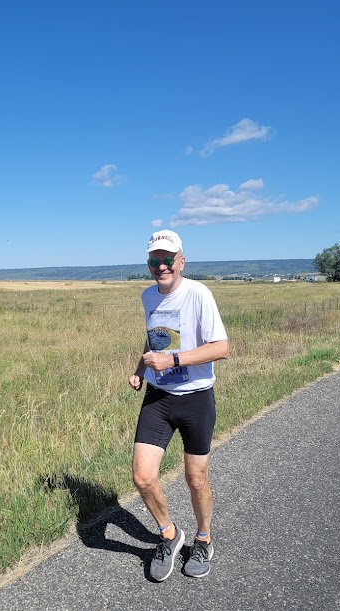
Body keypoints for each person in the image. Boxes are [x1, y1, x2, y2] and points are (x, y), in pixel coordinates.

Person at [129, 229, 230, 581]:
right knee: (142, 477)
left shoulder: (198, 294)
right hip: (158, 397)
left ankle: (203, 539)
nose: (162, 266)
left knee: (196, 479)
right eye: (155, 260)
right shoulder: (147, 296)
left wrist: (171, 362)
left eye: (168, 259)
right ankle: (169, 535)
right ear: (149, 264)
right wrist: (140, 369)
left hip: (196, 397)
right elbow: (153, 335)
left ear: (181, 261)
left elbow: (221, 347)